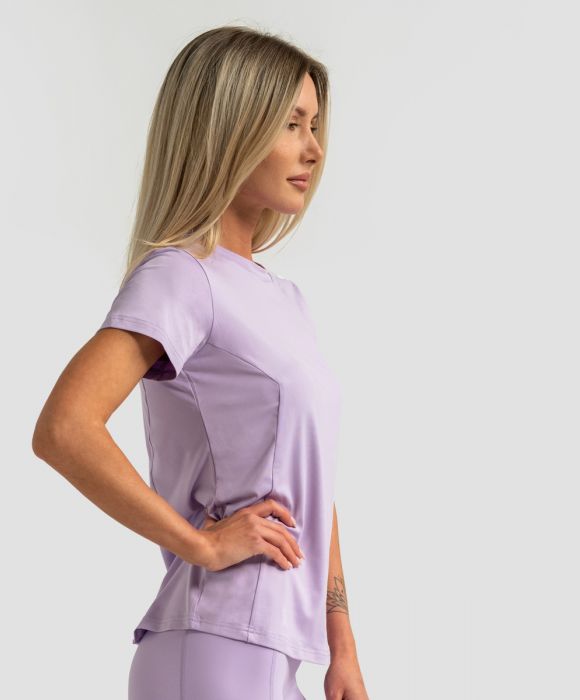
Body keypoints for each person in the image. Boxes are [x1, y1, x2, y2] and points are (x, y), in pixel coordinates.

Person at [32, 24, 369, 700]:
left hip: (276, 655)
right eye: (291, 124)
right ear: (231, 130)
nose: (314, 147)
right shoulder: (182, 277)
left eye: (314, 125)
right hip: (216, 644)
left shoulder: (283, 300)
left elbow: (310, 485)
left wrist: (343, 649)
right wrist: (202, 543)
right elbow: (65, 428)